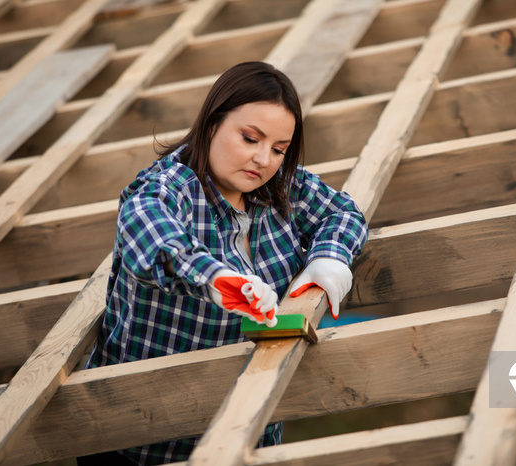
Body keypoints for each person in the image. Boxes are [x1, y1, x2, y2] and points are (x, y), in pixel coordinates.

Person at [78, 61, 368, 465]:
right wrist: (217, 277)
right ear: (213, 123)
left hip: (249, 432)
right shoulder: (166, 189)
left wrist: (329, 259)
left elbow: (344, 213)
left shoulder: (281, 185)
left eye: (280, 149)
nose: (264, 160)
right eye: (250, 138)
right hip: (145, 441)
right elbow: (156, 240)